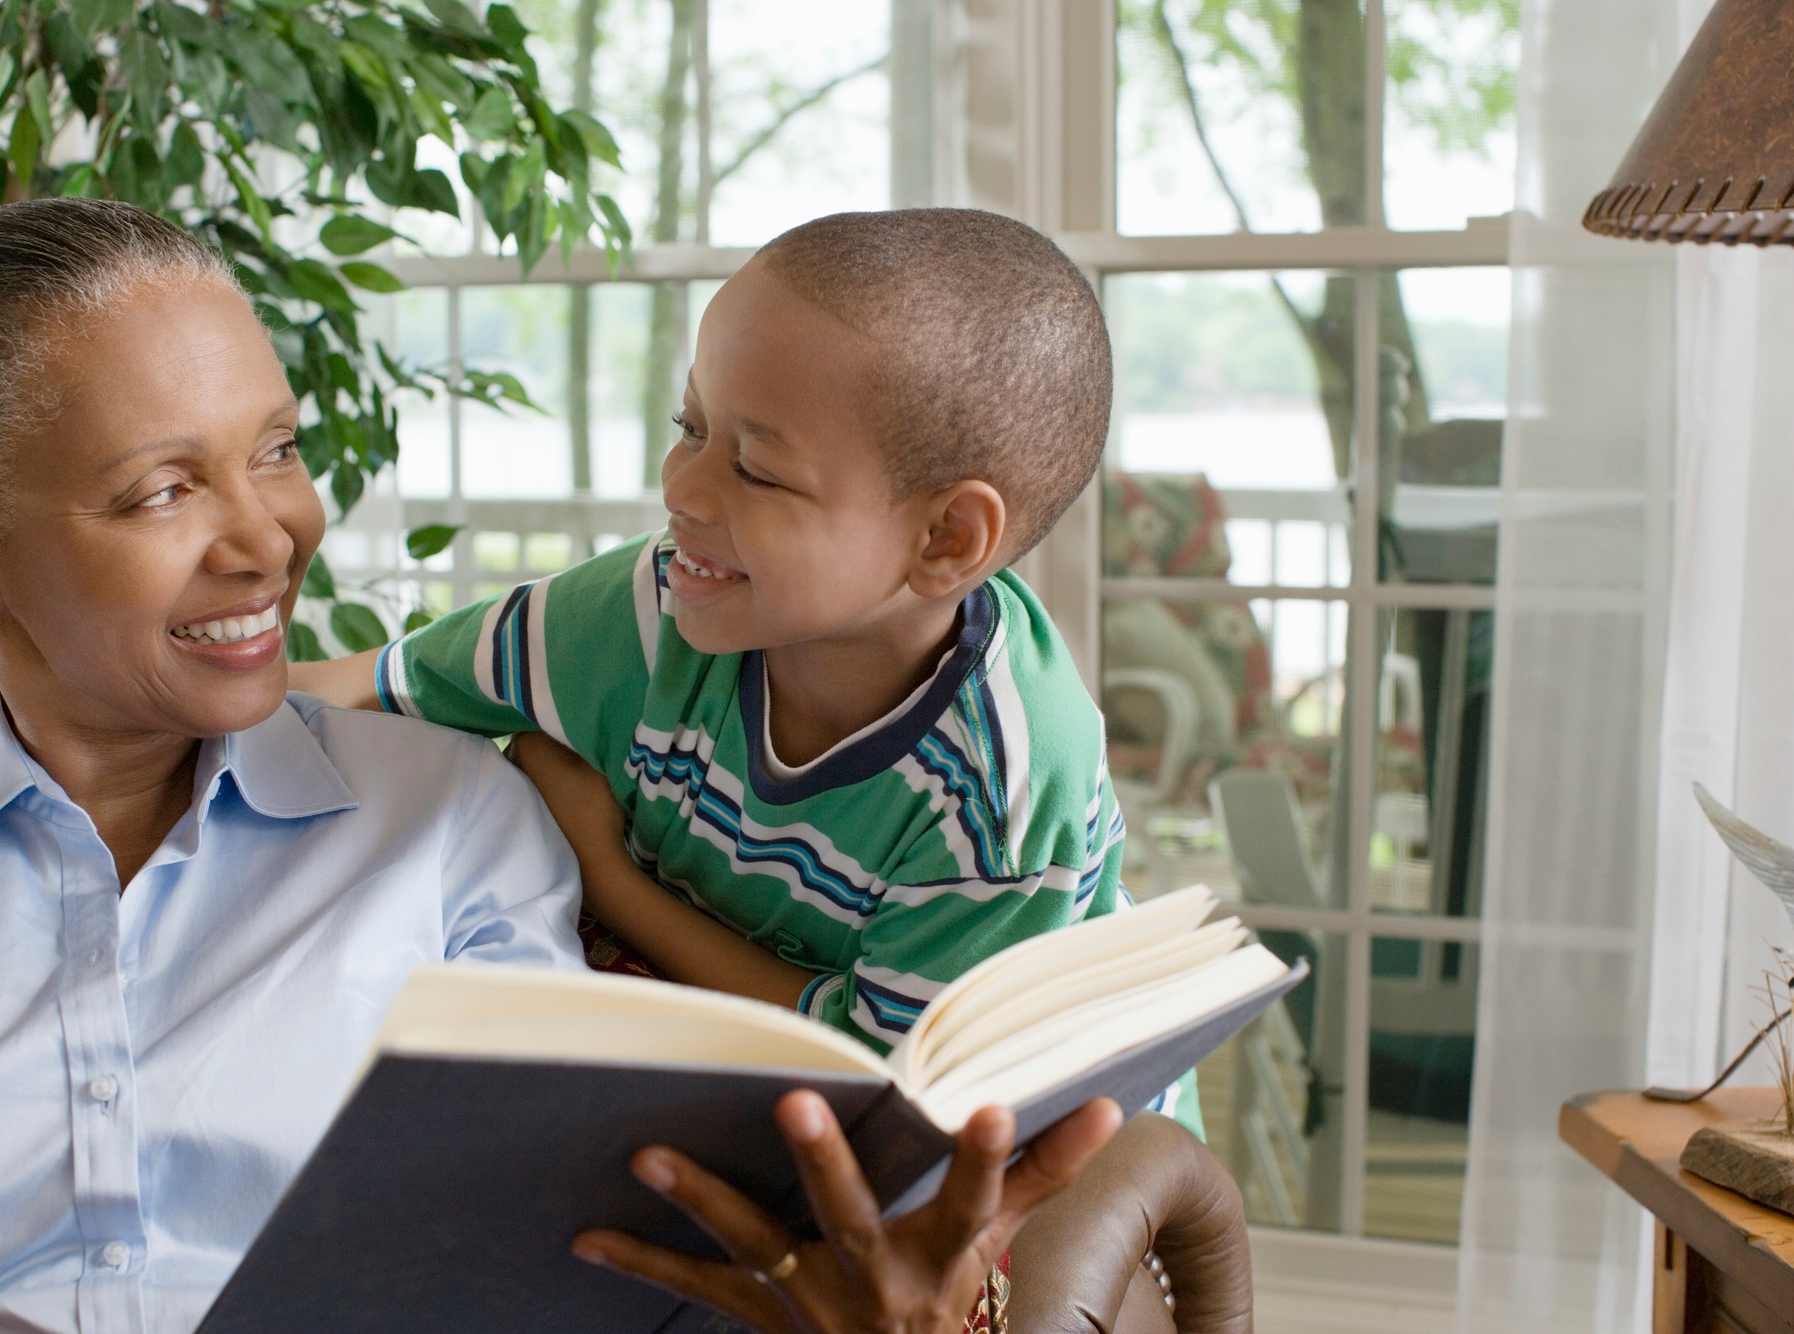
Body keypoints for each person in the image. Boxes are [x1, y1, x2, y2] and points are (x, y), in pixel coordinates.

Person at [0, 198, 1123, 1334]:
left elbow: (567, 1250)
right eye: (162, 490)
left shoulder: (447, 817)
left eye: (280, 452)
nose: (270, 538)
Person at [292, 209, 1200, 1130]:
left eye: (757, 471)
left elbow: (889, 1088)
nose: (679, 491)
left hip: (1036, 1104)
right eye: (691, 426)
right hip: (748, 1035)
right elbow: (383, 681)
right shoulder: (653, 610)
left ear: (945, 539)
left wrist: (605, 875)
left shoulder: (995, 794)